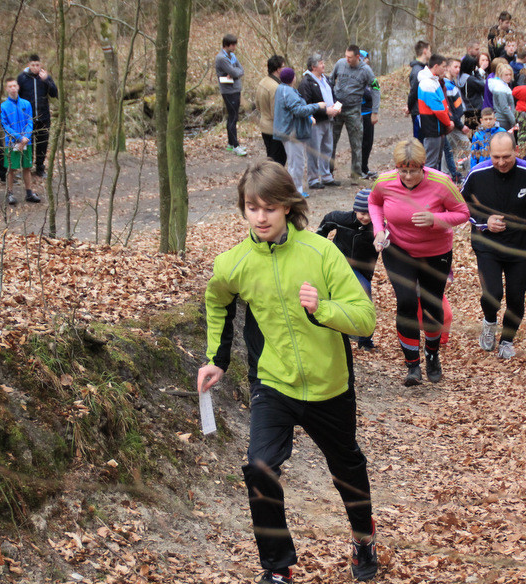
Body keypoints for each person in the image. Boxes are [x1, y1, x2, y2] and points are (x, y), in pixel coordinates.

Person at [197, 160, 378, 584]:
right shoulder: (235, 263)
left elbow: (365, 319)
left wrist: (325, 309)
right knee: (259, 467)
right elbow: (217, 299)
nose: (260, 217)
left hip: (330, 384)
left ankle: (363, 537)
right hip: (274, 384)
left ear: (288, 208)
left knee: (346, 467)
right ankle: (278, 568)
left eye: (269, 208)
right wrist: (216, 359)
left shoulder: (322, 252)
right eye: (251, 208)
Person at [368, 138, 469, 385]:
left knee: (432, 307)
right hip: (399, 249)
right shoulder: (384, 181)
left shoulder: (441, 183)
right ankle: (412, 365)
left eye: (413, 171)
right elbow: (374, 202)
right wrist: (378, 230)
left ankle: (432, 355)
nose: (408, 176)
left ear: (423, 166)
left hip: (436, 252)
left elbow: (463, 213)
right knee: (406, 302)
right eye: (403, 171)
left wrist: (435, 219)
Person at [461, 132, 526, 359]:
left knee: (516, 296)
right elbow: (461, 206)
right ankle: (489, 321)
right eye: (496, 157)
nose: (501, 162)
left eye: (506, 156)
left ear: (516, 151)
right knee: (492, 293)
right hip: (487, 244)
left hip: (519, 246)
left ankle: (507, 340)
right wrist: (485, 222)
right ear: (489, 155)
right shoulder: (478, 174)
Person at [316, 189, 379, 348]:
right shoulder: (343, 219)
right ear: (355, 209)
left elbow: (389, 239)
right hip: (338, 263)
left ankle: (365, 339)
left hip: (361, 270)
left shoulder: (378, 228)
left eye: (369, 213)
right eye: (361, 213)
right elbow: (328, 221)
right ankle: (332, 329)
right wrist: (319, 240)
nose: (365, 217)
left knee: (364, 297)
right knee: (331, 293)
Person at [273, 68, 334, 197]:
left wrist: (308, 117)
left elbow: (294, 109)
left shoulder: (283, 89)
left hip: (289, 131)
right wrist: (317, 106)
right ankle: (296, 191)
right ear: (292, 78)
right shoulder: (288, 92)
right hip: (292, 133)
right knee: (297, 164)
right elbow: (298, 110)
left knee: (294, 163)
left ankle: (294, 189)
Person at [330, 45, 380, 185]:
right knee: (331, 141)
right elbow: (330, 80)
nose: (347, 60)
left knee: (356, 143)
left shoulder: (366, 70)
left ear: (358, 57)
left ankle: (356, 174)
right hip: (337, 108)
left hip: (353, 110)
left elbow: (376, 88)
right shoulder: (340, 64)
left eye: (350, 58)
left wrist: (375, 111)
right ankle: (328, 172)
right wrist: (330, 101)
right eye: (346, 56)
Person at [299, 53, 341, 190]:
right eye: (321, 63)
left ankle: (326, 176)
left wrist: (335, 106)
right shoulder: (306, 82)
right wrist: (325, 111)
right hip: (316, 122)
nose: (324, 65)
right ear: (313, 66)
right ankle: (313, 179)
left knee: (327, 148)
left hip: (329, 120)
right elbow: (307, 104)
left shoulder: (326, 79)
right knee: (314, 150)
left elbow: (332, 95)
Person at [16, 54, 57, 178]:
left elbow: (54, 93)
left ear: (41, 65)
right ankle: (25, 168)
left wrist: (47, 80)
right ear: (28, 65)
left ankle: (40, 168)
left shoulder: (45, 78)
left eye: (37, 65)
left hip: (43, 116)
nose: (35, 67)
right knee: (27, 143)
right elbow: (16, 96)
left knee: (42, 143)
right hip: (27, 118)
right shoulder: (22, 78)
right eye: (33, 65)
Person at [1, 78, 39, 206]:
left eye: (14, 85)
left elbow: (30, 121)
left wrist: (26, 137)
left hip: (26, 142)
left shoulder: (26, 104)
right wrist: (18, 137)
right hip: (12, 142)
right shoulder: (4, 106)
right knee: (11, 168)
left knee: (27, 167)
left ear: (18, 87)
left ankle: (29, 192)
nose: (12, 88)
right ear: (7, 89)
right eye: (10, 86)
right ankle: (10, 193)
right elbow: (5, 125)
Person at [416, 54, 454, 170]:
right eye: (443, 66)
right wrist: (449, 123)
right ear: (436, 66)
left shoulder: (434, 80)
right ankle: (427, 187)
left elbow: (443, 106)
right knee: (430, 164)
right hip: (432, 129)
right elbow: (438, 110)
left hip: (438, 128)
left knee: (436, 161)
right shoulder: (427, 84)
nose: (445, 69)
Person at [214, 34, 246, 156]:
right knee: (233, 117)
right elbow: (234, 71)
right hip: (229, 91)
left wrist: (235, 73)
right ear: (226, 45)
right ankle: (236, 145)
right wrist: (234, 73)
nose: (235, 47)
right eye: (233, 45)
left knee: (233, 117)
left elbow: (241, 70)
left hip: (235, 89)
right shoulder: (221, 58)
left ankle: (231, 143)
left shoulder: (231, 56)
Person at [257, 55, 287, 166]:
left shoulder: (262, 82)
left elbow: (257, 106)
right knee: (278, 162)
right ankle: (275, 183)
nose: (285, 69)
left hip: (264, 126)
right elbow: (277, 113)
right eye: (283, 66)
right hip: (274, 129)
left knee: (270, 158)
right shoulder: (276, 87)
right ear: (278, 69)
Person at [359, 50, 378, 180]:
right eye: (365, 58)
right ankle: (359, 169)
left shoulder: (368, 75)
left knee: (368, 142)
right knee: (362, 143)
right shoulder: (357, 75)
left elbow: (376, 88)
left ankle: (364, 168)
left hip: (369, 113)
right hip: (360, 114)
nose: (367, 61)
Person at [407, 40, 432, 141]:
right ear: (425, 51)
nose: (431, 53)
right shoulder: (418, 71)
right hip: (418, 111)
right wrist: (409, 106)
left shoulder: (423, 68)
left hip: (423, 111)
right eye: (430, 50)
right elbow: (413, 92)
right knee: (419, 142)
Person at [490, 63, 516, 131]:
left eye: (510, 74)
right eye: (506, 75)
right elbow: (504, 108)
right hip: (503, 120)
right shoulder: (501, 88)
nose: (509, 77)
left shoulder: (504, 86)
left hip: (505, 119)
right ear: (501, 75)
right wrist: (514, 121)